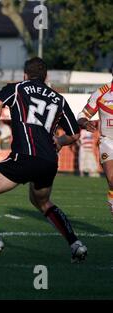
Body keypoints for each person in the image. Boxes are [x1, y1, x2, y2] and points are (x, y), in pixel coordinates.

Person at [0, 57, 87, 264]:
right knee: (41, 202)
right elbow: (74, 135)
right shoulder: (58, 98)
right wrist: (59, 140)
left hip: (24, 157)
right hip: (49, 161)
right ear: (46, 77)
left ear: (25, 75)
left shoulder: (18, 88)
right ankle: (75, 244)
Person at [77, 64, 113, 213]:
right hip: (108, 141)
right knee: (112, 180)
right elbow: (82, 115)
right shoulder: (101, 93)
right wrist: (85, 122)